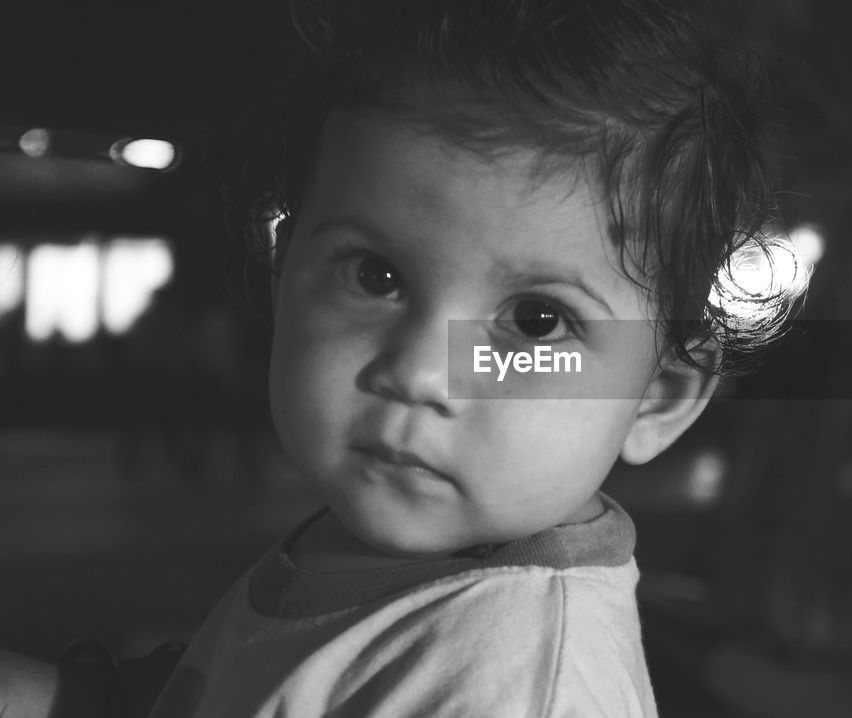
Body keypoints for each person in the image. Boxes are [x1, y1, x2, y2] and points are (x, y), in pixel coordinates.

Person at [1, 0, 797, 715]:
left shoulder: (512, 684)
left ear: (657, 396)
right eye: (375, 276)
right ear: (284, 276)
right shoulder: (384, 560)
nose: (420, 372)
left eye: (537, 321)